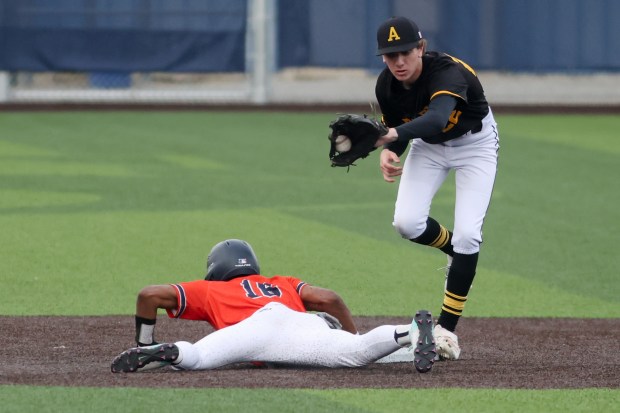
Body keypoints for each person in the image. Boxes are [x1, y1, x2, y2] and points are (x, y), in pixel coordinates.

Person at [372, 16, 500, 360]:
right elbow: (397, 127)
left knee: (469, 234)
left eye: (404, 52)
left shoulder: (446, 72)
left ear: (421, 49)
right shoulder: (386, 86)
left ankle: (446, 330)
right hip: (428, 147)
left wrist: (394, 137)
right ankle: (452, 251)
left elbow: (438, 118)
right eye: (389, 55)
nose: (398, 61)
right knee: (406, 223)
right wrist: (389, 150)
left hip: (476, 145)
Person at [111, 239, 437, 373]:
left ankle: (164, 351)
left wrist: (144, 341)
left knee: (198, 359)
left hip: (253, 330)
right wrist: (351, 336)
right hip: (303, 322)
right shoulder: (282, 282)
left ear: (216, 267)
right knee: (358, 353)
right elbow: (329, 300)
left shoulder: (211, 288)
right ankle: (407, 331)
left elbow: (149, 294)